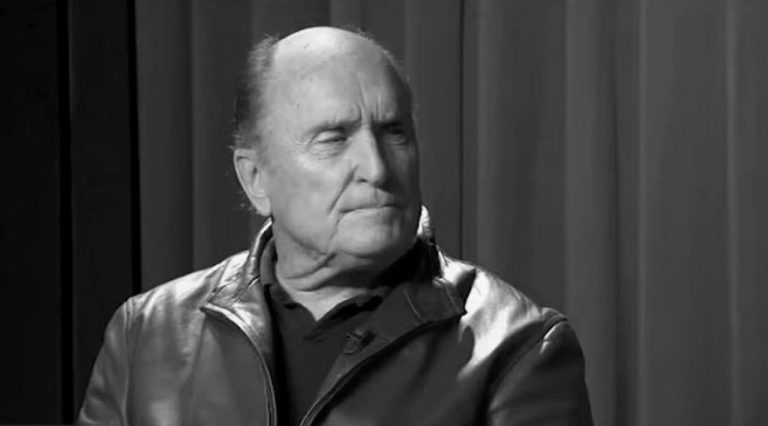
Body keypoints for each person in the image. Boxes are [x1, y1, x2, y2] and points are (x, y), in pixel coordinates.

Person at [79, 26, 592, 426]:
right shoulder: (146, 333)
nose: (376, 168)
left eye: (394, 133)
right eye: (333, 139)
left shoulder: (517, 348)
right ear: (255, 178)